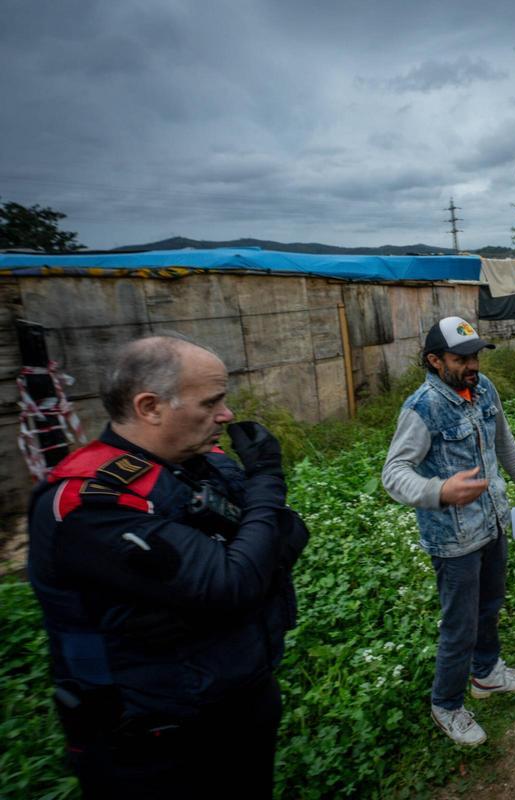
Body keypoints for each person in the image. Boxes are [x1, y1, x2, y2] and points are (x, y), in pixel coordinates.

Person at [26, 335, 308, 799]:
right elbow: (234, 582)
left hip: (240, 699)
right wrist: (266, 482)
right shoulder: (91, 503)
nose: (226, 415)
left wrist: (248, 556)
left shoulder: (203, 463)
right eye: (211, 402)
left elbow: (291, 531)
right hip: (157, 743)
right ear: (150, 407)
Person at [381, 316, 515, 747]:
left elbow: (503, 440)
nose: (472, 366)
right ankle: (446, 705)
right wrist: (439, 490)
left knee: (489, 606)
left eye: (475, 357)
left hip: (492, 523)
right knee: (460, 625)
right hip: (454, 541)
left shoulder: (483, 390)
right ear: (435, 361)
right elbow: (393, 473)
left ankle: (486, 673)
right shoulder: (423, 408)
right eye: (461, 359)